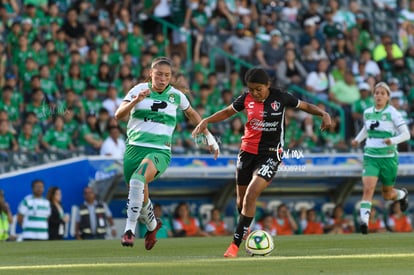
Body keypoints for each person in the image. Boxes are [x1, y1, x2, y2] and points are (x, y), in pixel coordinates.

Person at [192, 67, 332, 257]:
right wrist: (206, 120)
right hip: (246, 153)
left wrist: (323, 113)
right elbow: (227, 112)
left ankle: (234, 245)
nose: (255, 93)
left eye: (258, 89)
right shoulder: (245, 99)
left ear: (268, 85)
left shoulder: (281, 97)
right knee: (241, 203)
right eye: (251, 89)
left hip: (271, 154)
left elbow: (305, 106)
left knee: (251, 194)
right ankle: (246, 230)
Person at [114, 57, 219, 250]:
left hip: (160, 151)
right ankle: (153, 226)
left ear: (171, 77)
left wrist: (210, 140)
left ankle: (129, 231)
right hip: (134, 148)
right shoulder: (138, 90)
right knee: (140, 192)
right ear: (151, 74)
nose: (163, 79)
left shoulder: (176, 96)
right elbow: (118, 115)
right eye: (159, 74)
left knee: (138, 180)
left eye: (167, 75)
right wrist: (136, 101)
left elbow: (194, 115)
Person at [351, 82, 411, 234]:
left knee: (387, 194)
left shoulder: (393, 113)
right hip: (371, 156)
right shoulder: (367, 112)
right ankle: (364, 223)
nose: (379, 96)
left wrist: (393, 140)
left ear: (388, 96)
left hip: (388, 158)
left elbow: (406, 134)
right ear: (373, 95)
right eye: (376, 93)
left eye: (382, 93)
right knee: (368, 188)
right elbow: (366, 128)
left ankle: (402, 194)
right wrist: (358, 140)